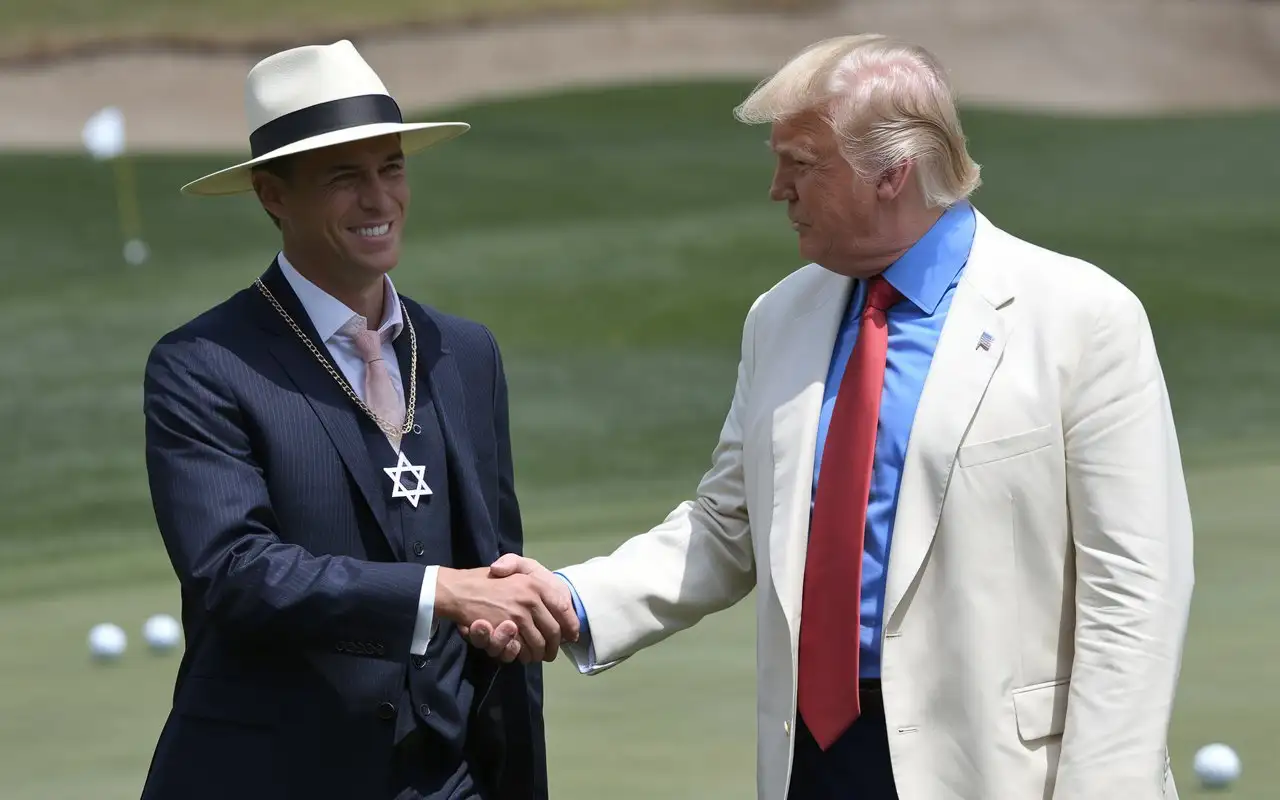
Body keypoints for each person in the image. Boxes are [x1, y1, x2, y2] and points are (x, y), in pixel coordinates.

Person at [466, 33, 1195, 800]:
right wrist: (574, 601)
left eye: (801, 165)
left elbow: (1135, 590)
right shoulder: (780, 317)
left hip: (1002, 771)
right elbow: (726, 525)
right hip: (812, 762)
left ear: (893, 173)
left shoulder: (1081, 317)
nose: (778, 189)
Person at [139, 40, 576, 800]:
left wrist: (500, 619)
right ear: (273, 195)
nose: (379, 200)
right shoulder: (203, 363)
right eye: (345, 177)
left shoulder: (464, 352)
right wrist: (441, 593)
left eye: (392, 169)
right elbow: (235, 575)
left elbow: (493, 559)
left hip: (452, 779)